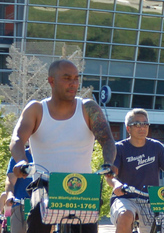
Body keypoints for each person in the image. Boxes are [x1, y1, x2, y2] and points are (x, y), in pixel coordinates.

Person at [10, 59, 116, 233]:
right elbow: (17, 139)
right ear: (51, 81)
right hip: (45, 184)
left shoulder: (89, 108)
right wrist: (21, 161)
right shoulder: (36, 109)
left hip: (81, 186)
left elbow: (107, 140)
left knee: (87, 228)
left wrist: (109, 163)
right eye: (67, 78)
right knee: (37, 221)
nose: (73, 83)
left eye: (76, 78)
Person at [106, 108, 164, 233]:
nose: (142, 127)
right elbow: (110, 175)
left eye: (145, 124)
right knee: (125, 215)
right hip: (126, 198)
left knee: (161, 227)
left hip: (151, 200)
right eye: (137, 124)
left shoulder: (156, 147)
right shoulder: (119, 148)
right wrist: (116, 184)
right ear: (128, 128)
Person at [5, 146, 33, 233]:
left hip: (44, 204)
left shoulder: (48, 155)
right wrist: (10, 195)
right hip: (21, 204)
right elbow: (10, 180)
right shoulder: (19, 157)